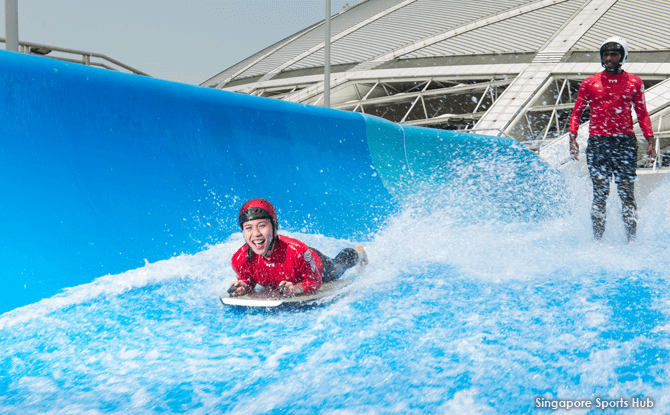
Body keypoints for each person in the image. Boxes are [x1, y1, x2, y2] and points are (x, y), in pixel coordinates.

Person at [568, 36, 656, 243]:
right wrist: (572, 137)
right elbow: (576, 113)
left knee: (626, 194)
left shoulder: (635, 82)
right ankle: (598, 242)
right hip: (598, 143)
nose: (609, 58)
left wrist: (650, 139)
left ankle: (631, 242)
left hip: (624, 142)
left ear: (622, 56)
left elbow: (642, 113)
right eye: (605, 54)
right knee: (600, 194)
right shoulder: (589, 83)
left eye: (614, 54)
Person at [228, 198, 368, 297]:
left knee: (338, 266)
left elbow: (314, 282)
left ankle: (358, 253)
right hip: (295, 262)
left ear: (275, 228)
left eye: (262, 226)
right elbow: (249, 279)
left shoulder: (297, 252)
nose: (256, 234)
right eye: (248, 228)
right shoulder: (239, 259)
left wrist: (295, 289)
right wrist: (243, 286)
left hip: (314, 264)